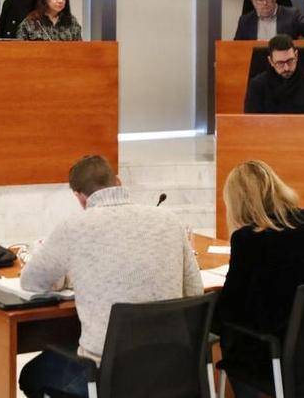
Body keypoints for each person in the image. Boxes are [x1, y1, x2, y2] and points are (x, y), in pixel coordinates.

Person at [18, 155, 203, 398]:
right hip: (172, 369)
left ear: (79, 197)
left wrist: (70, 276)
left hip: (106, 376)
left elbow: (31, 280)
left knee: (32, 374)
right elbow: (195, 290)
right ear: (118, 181)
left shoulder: (74, 226)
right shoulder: (170, 220)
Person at [213, 160, 304, 398]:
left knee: (227, 337)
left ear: (236, 204)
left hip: (276, 356)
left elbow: (230, 311)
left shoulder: (248, 239)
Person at [244, 34, 304, 114]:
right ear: (271, 61)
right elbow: (251, 124)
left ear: (296, 56)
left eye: (290, 61)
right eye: (280, 63)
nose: (286, 68)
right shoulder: (257, 86)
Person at [16, 0, 82, 41]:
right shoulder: (31, 22)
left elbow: (80, 48)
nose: (61, 1)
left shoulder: (71, 22)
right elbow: (19, 49)